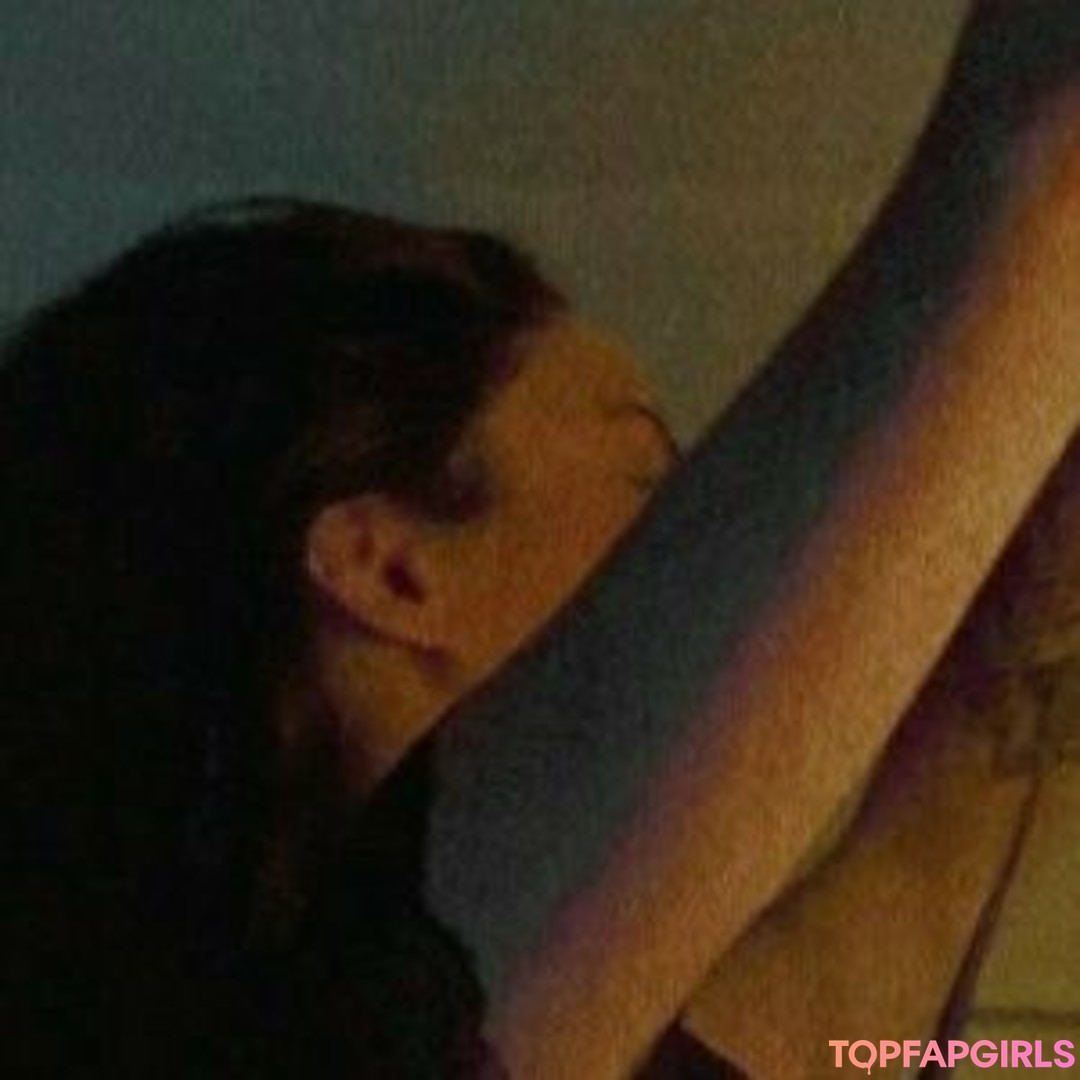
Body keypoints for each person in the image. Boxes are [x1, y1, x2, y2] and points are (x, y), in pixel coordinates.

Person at [4, 6, 1080, 1079]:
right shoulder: (280, 1031)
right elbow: (1027, 164)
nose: (703, 543)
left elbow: (944, 832)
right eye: (650, 483)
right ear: (390, 569)